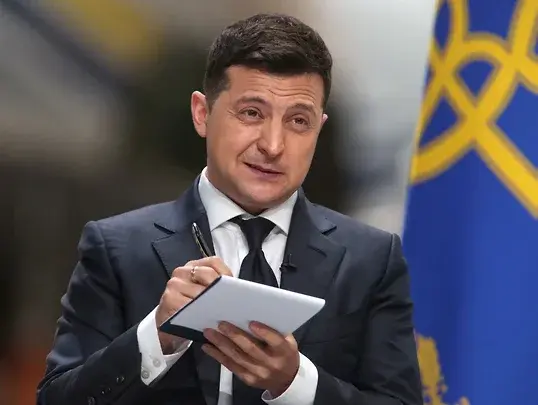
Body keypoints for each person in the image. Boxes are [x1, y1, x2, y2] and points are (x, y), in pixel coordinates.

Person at [37, 13, 423, 405]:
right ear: (202, 114)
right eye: (252, 113)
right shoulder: (117, 247)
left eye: (298, 121)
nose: (273, 145)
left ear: (318, 130)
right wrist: (156, 335)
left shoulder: (371, 260)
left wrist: (296, 383)